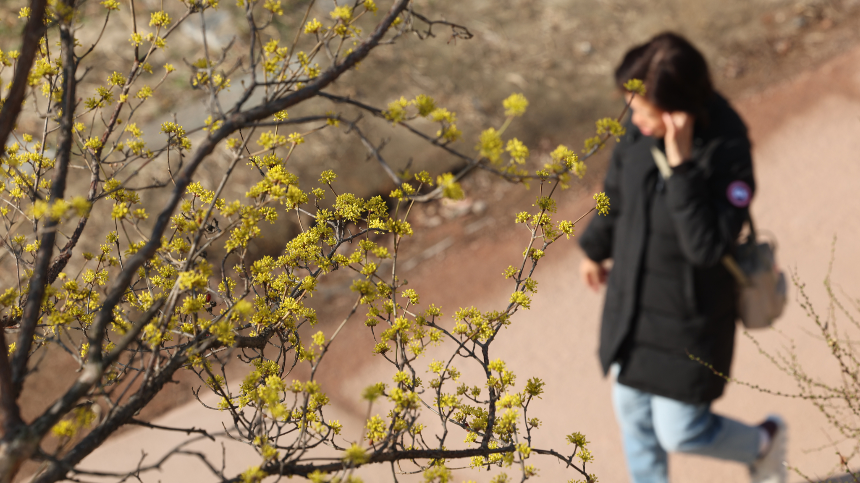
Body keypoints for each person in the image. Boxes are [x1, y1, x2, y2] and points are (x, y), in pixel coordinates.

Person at [577, 32, 787, 483]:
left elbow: (706, 247)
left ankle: (763, 443)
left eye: (641, 109)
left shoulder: (727, 150)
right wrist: (594, 248)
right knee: (634, 422)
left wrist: (682, 166)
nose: (632, 117)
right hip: (632, 307)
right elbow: (615, 194)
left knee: (681, 432)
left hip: (690, 321)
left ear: (676, 110)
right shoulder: (638, 128)